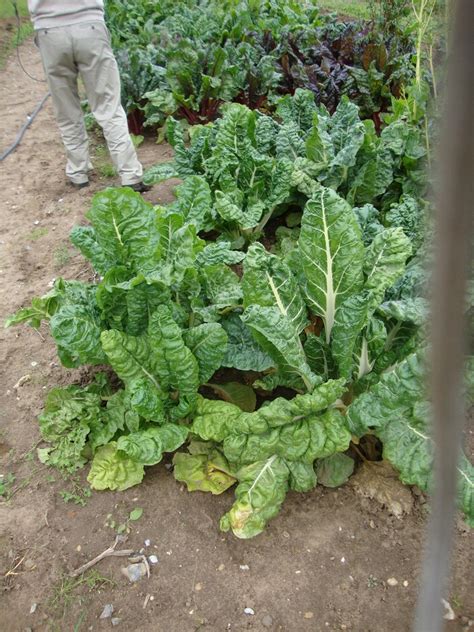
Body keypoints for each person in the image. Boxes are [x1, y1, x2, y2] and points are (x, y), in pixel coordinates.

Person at [27, 0, 150, 192]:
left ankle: (78, 174)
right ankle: (130, 175)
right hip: (89, 26)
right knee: (108, 107)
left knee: (66, 109)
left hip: (50, 32)